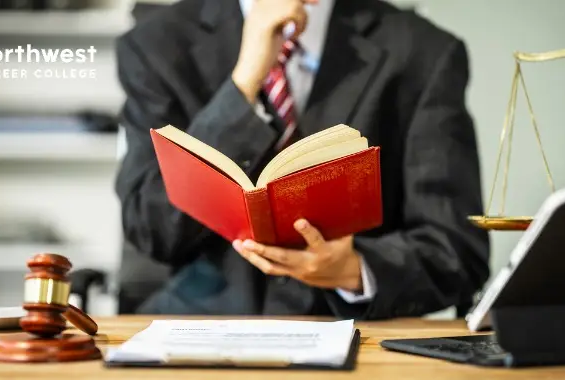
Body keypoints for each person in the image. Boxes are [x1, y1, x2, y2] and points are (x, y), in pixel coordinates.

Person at [114, 0, 490, 319]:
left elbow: (455, 251)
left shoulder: (424, 52)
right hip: (200, 326)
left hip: (355, 336)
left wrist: (355, 270)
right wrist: (243, 84)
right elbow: (151, 227)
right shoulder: (155, 45)